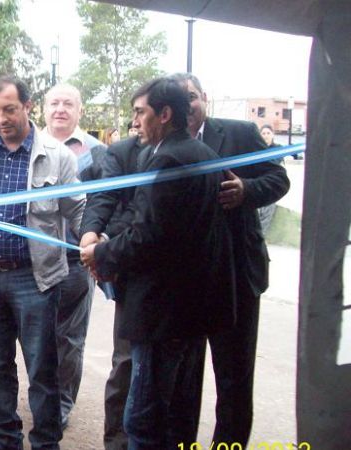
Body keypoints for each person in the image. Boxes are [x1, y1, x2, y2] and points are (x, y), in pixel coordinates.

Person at [81, 76, 235, 448]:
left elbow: (149, 236)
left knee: (144, 418)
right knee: (171, 412)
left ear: (164, 114)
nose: (135, 122)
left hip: (163, 312)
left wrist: (99, 253)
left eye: (140, 112)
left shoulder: (167, 160)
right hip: (189, 308)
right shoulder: (201, 156)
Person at [0, 75, 85, 450]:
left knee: (42, 370)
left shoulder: (56, 155)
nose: (0, 118)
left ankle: (45, 442)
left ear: (28, 107)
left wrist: (95, 242)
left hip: (36, 280)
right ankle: (5, 437)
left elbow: (77, 210)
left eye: (9, 109)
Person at [171, 72, 290, 447]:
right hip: (184, 285)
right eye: (177, 98)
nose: (185, 105)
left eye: (190, 96)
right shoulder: (164, 144)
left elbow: (278, 179)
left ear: (204, 97)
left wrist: (247, 190)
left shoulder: (240, 133)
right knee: (182, 384)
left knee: (235, 380)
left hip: (237, 278)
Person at [80, 128, 146, 450]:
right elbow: (105, 199)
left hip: (185, 279)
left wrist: (104, 248)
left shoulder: (193, 151)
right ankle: (116, 441)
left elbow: (149, 216)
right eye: (136, 113)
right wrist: (94, 236)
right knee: (126, 362)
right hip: (134, 275)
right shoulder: (122, 152)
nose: (138, 123)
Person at [42, 83, 101, 431]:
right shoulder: (28, 147)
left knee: (69, 338)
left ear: (80, 111)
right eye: (54, 103)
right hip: (33, 259)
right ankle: (44, 395)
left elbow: (107, 203)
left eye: (68, 104)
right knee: (37, 336)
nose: (60, 109)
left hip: (77, 258)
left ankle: (62, 403)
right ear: (44, 110)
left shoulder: (96, 152)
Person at [256, 124, 280, 234]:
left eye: (268, 133)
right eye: (263, 133)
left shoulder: (278, 149)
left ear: (273, 135)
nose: (266, 136)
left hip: (270, 185)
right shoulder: (255, 148)